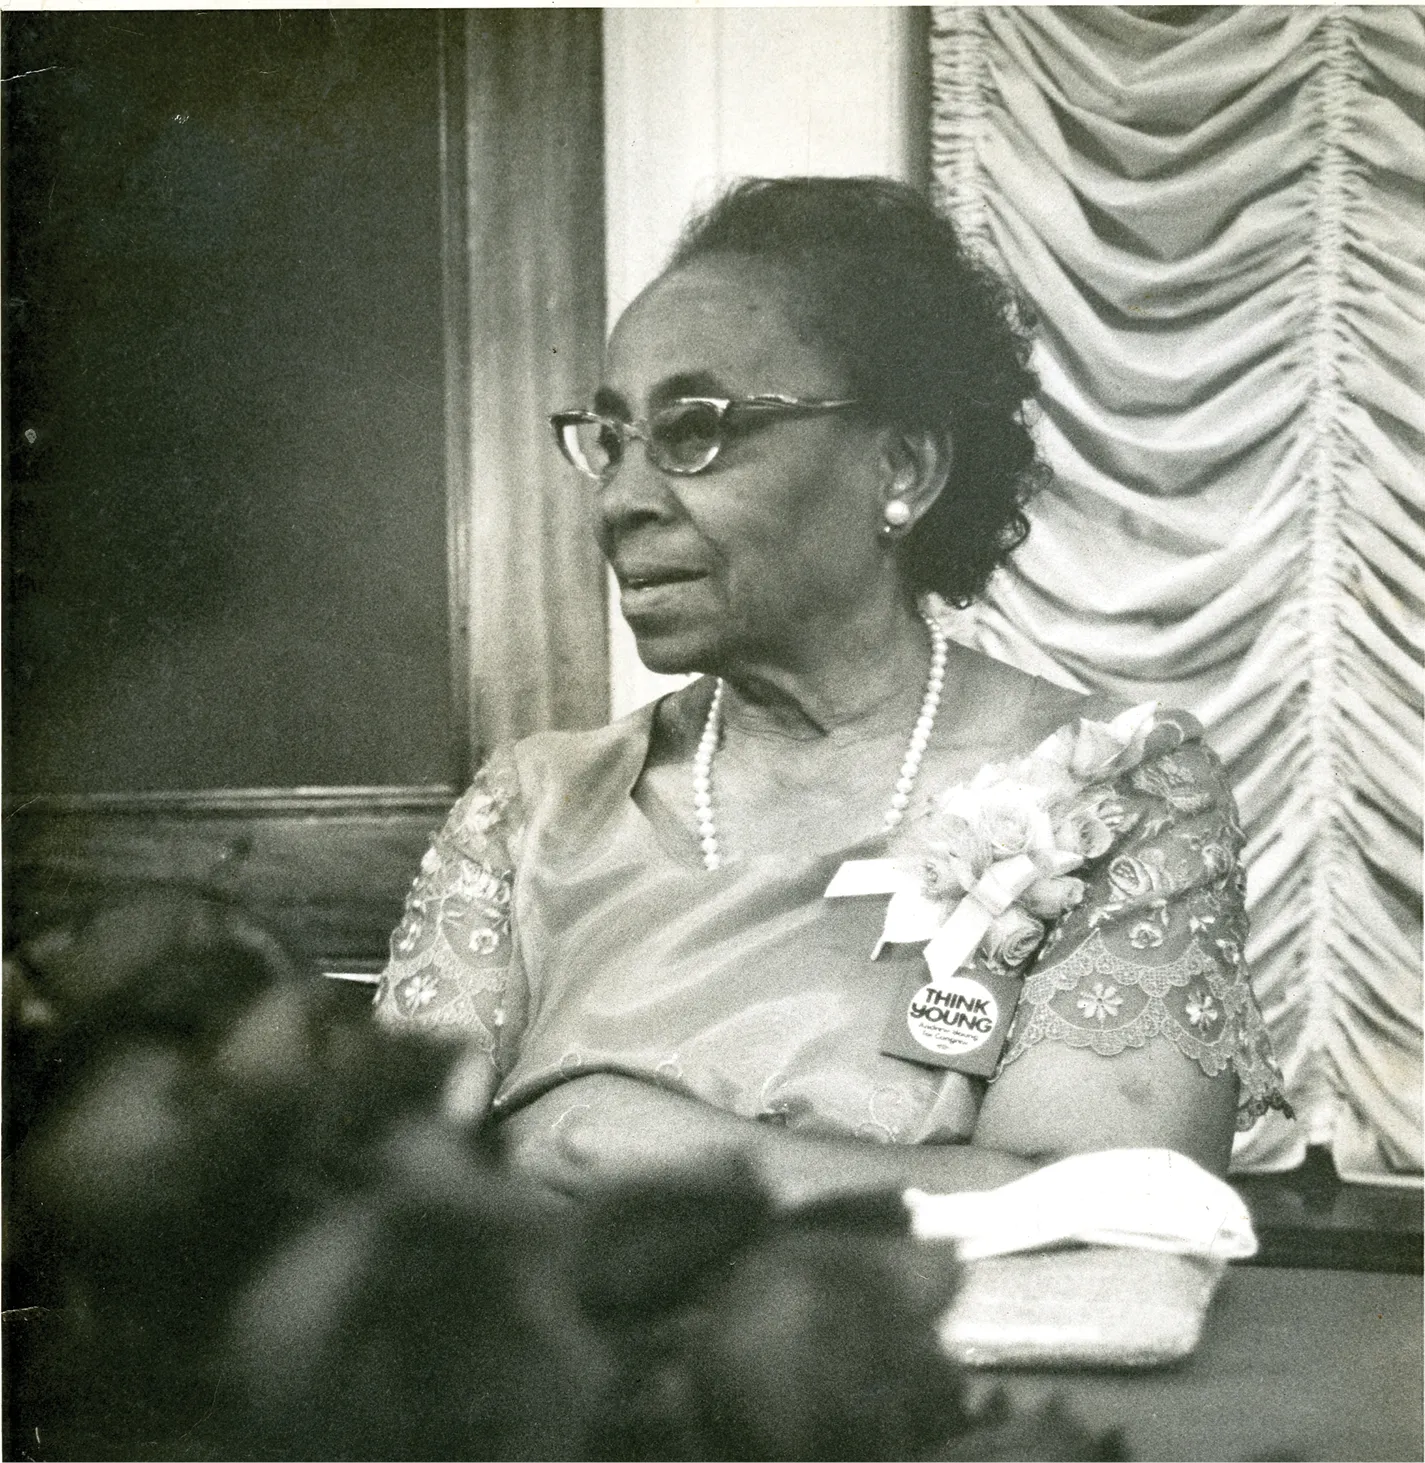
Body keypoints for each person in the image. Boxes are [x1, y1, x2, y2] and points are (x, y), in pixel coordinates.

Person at [375, 177, 1288, 1208]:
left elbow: (1108, 1211)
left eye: (693, 430)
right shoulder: (533, 808)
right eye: (611, 437)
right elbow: (393, 1195)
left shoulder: (1112, 789)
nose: (622, 500)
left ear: (902, 469)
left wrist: (625, 1140)